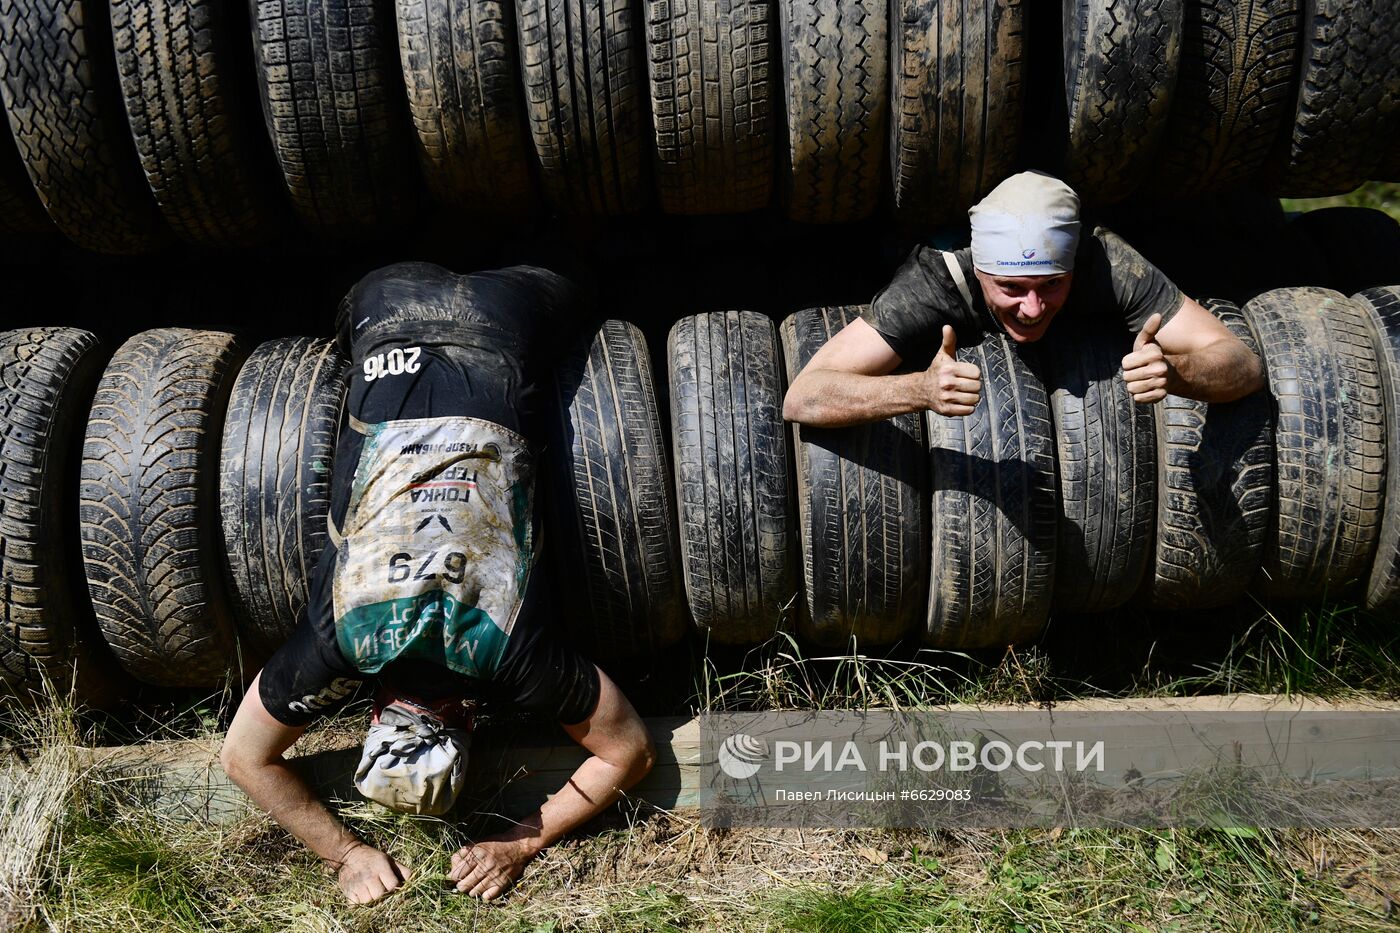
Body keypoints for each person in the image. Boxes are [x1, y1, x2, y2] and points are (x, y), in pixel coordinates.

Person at [220, 262, 655, 905]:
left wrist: (518, 842)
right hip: (384, 299)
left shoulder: (511, 656)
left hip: (507, 321)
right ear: (372, 715)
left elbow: (631, 753)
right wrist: (342, 854)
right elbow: (245, 758)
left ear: (467, 719)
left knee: (598, 277)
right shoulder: (336, 644)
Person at [782, 171, 1266, 427]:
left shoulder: (1108, 264)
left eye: (1051, 284)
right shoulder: (937, 280)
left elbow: (1242, 364)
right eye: (1011, 288)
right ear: (980, 270)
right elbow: (804, 397)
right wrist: (918, 390)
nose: (1032, 309)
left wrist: (1179, 373)